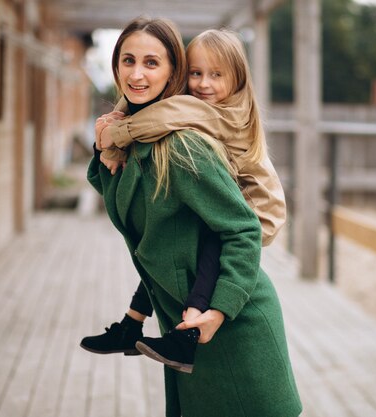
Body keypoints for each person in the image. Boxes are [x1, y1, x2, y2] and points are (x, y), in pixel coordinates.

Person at [86, 17, 301, 417]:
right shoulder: (143, 138)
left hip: (230, 323)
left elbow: (241, 230)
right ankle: (130, 325)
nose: (136, 73)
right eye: (127, 60)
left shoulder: (183, 143)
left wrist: (217, 310)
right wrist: (109, 144)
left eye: (152, 63)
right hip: (185, 323)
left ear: (172, 74)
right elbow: (144, 225)